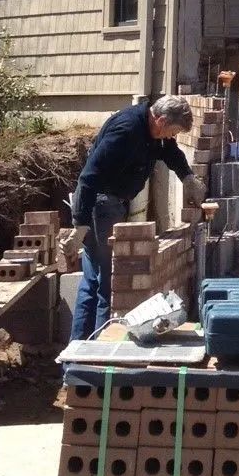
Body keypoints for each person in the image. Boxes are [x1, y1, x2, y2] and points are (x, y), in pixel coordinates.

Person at [58, 94, 207, 339]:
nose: (171, 137)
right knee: (108, 283)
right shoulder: (126, 130)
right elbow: (88, 177)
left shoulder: (153, 130)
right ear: (160, 121)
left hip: (112, 204)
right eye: (172, 132)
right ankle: (97, 350)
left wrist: (188, 178)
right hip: (102, 205)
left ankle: (79, 346)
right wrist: (80, 224)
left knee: (93, 280)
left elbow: (170, 152)